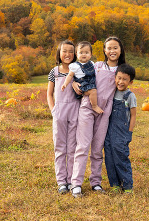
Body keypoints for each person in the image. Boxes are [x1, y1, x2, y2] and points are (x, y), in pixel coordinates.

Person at [70, 36, 126, 198]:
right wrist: (74, 82)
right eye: (109, 48)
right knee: (83, 145)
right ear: (104, 50)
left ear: (120, 50)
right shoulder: (97, 65)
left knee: (97, 148)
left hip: (105, 111)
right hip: (87, 107)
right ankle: (76, 184)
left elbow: (126, 87)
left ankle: (96, 182)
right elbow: (80, 72)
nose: (112, 51)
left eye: (115, 48)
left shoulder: (122, 70)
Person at [46, 40, 80, 195]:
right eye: (64, 51)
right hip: (59, 111)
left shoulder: (78, 70)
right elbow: (49, 93)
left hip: (75, 110)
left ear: (75, 54)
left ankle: (72, 181)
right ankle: (61, 182)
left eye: (71, 51)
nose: (67, 54)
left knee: (72, 147)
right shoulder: (55, 71)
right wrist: (53, 110)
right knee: (60, 147)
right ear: (59, 53)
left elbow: (85, 89)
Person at [104, 63, 137, 194]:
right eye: (119, 78)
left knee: (121, 158)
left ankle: (127, 186)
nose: (120, 81)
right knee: (110, 158)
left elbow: (133, 115)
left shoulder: (130, 96)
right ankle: (115, 185)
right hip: (109, 131)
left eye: (124, 79)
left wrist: (129, 132)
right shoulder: (112, 91)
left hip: (122, 132)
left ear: (131, 81)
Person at [61, 41, 103, 114]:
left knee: (94, 90)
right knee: (93, 91)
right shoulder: (75, 66)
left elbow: (96, 73)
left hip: (91, 83)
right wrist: (65, 84)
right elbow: (70, 75)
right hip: (82, 85)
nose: (84, 55)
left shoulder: (92, 63)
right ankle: (94, 106)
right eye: (81, 52)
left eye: (86, 53)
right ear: (76, 54)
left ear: (90, 54)